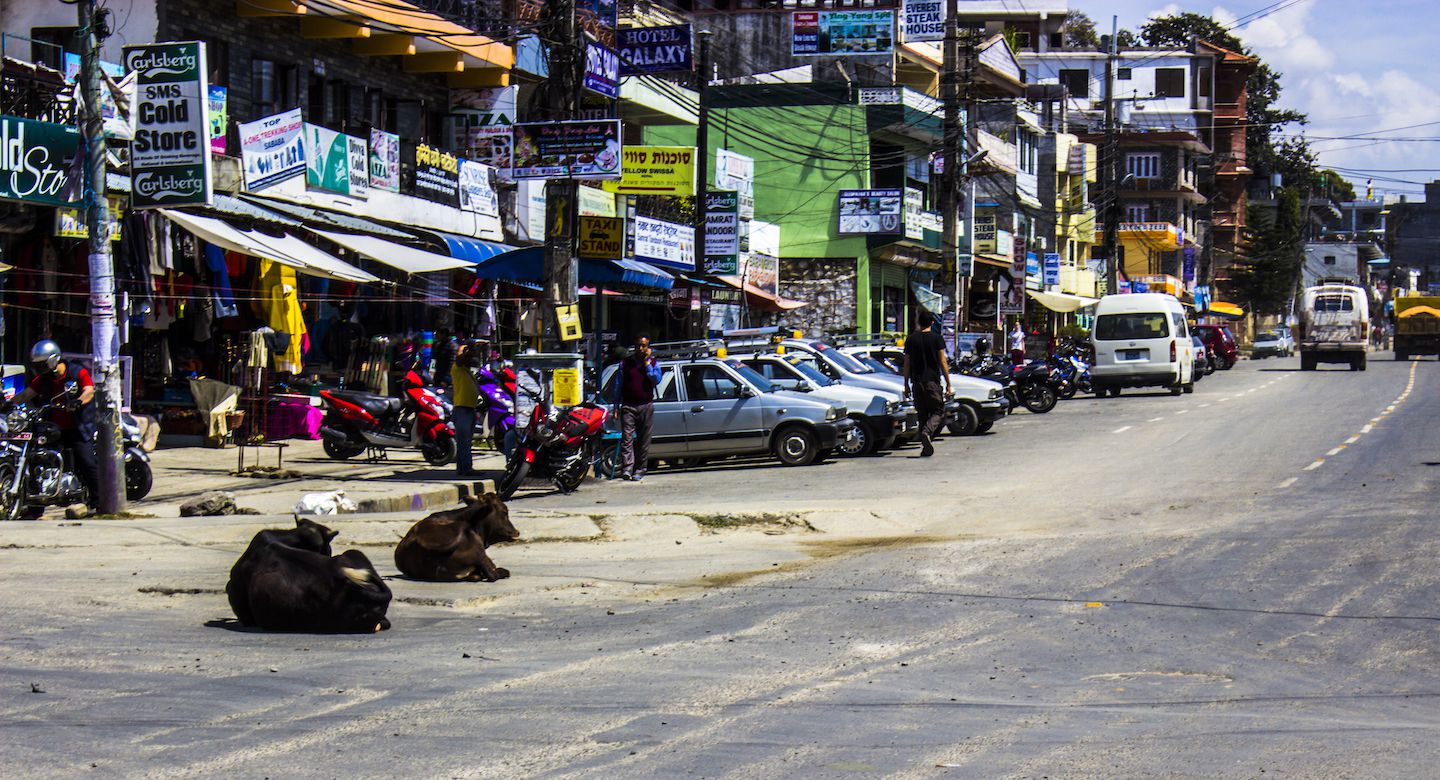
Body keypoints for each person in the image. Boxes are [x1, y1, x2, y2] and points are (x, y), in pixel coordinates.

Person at [7, 340, 98, 502]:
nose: (40, 369)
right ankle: (36, 505)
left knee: (87, 462)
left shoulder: (78, 372)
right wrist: (7, 403)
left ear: (53, 360)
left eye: (42, 364)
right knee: (36, 458)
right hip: (52, 428)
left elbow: (89, 391)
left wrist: (78, 401)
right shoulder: (44, 378)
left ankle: (97, 503)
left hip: (78, 427)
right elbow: (26, 394)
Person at [902, 311, 951, 457]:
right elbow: (942, 361)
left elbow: (906, 364)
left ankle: (925, 447)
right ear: (932, 323)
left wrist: (905, 384)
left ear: (919, 322)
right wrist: (949, 383)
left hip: (916, 382)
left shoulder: (911, 339)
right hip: (932, 381)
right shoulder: (937, 339)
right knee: (938, 410)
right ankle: (927, 432)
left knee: (922, 413)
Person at [616, 335, 661, 481]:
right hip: (628, 405)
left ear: (648, 347)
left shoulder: (653, 363)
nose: (640, 349)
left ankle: (640, 469)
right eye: (637, 346)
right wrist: (616, 405)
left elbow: (655, 380)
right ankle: (627, 468)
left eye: (643, 346)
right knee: (627, 439)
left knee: (643, 440)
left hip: (646, 405)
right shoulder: (625, 363)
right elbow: (619, 385)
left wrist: (647, 363)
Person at [450, 344, 480, 477]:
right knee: (463, 441)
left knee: (466, 441)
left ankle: (463, 468)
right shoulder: (457, 368)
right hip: (462, 409)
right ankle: (466, 468)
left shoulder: (467, 372)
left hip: (469, 409)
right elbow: (459, 359)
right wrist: (463, 348)